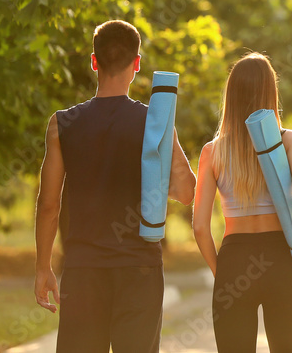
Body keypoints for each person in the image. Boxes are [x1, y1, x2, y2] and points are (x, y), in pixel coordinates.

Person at [34, 19, 196, 353]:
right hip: (139, 270)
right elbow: (186, 192)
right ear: (137, 64)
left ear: (94, 62)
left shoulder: (61, 124)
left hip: (82, 270)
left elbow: (49, 205)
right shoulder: (154, 122)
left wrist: (43, 267)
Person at [192, 52, 292, 353]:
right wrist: (288, 214)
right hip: (281, 258)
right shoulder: (287, 141)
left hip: (234, 261)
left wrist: (221, 271)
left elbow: (199, 227)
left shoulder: (212, 152)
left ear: (231, 96)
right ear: (270, 92)